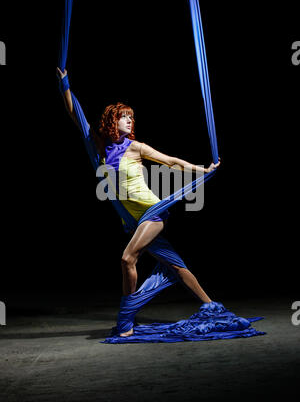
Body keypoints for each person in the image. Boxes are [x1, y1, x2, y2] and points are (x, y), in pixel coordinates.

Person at [57, 67, 221, 337]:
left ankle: (126, 322)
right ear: (113, 120)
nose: (130, 121)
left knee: (127, 258)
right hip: (133, 220)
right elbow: (75, 113)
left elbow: (171, 161)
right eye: (125, 117)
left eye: (132, 118)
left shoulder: (137, 148)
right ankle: (210, 305)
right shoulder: (98, 147)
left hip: (152, 213)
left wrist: (203, 170)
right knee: (176, 266)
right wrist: (64, 83)